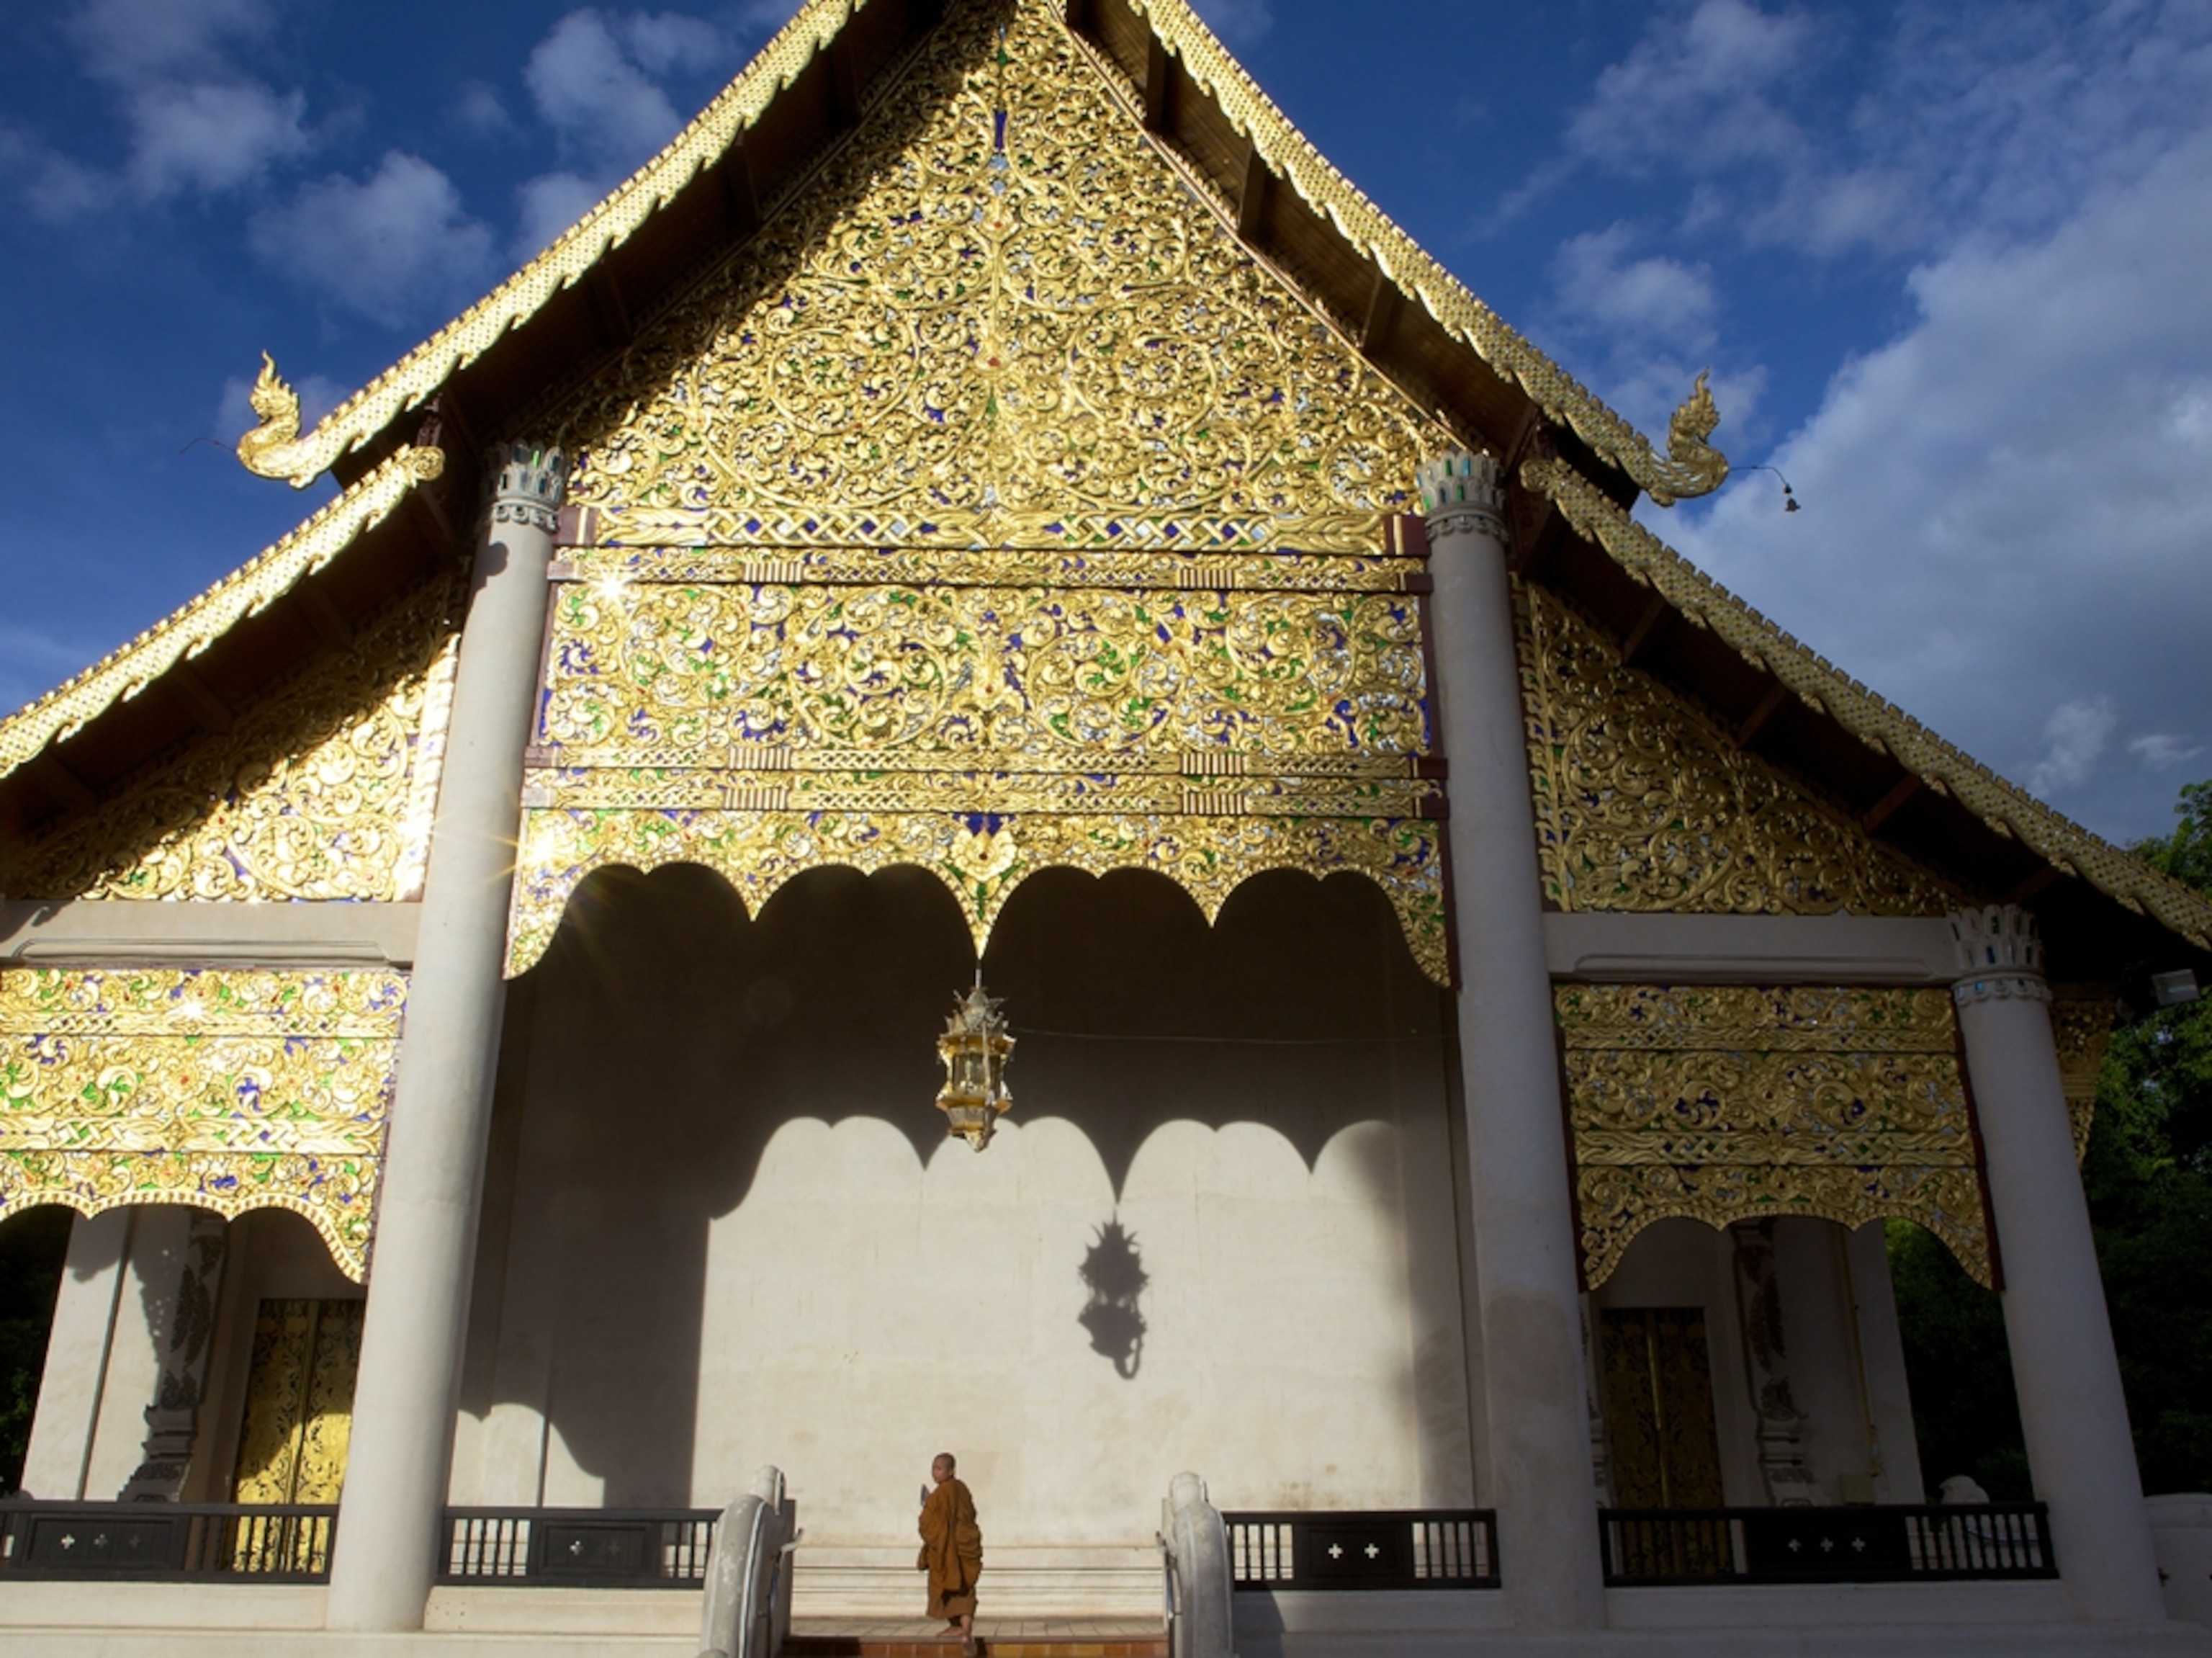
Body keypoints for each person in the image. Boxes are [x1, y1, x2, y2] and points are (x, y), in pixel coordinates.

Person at [917, 1451, 982, 1653]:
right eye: (933, 1468)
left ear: (951, 1470)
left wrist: (928, 1505)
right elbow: (970, 1514)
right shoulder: (962, 1489)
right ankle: (963, 1630)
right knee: (964, 1588)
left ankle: (961, 1630)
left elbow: (927, 1524)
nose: (935, 1473)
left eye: (939, 1468)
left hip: (948, 1549)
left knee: (949, 1584)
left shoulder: (942, 1493)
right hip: (961, 1548)